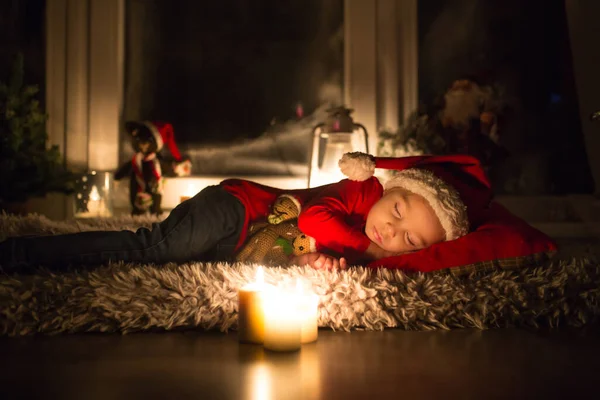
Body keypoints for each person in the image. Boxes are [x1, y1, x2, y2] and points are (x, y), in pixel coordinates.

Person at [0, 152, 492, 273]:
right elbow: (312, 222)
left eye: (410, 240)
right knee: (151, 249)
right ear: (389, 189)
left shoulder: (371, 255)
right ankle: (20, 252)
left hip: (234, 249)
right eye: (400, 210)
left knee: (174, 261)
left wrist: (310, 264)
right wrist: (363, 246)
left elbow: (294, 248)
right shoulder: (356, 193)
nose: (391, 230)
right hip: (233, 209)